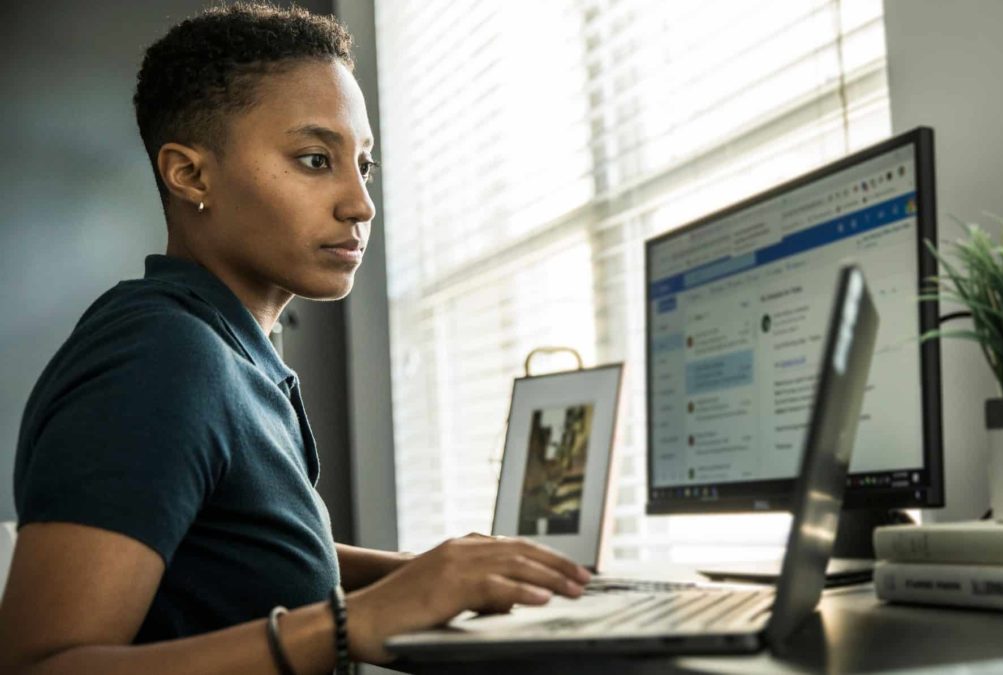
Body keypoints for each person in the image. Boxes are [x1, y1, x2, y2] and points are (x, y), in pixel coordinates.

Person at [0, 4, 590, 674]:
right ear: (190, 175)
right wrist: (347, 625)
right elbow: (36, 665)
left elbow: (238, 547)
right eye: (315, 159)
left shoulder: (229, 350)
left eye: (362, 165)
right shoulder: (161, 357)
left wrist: (425, 572)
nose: (360, 203)